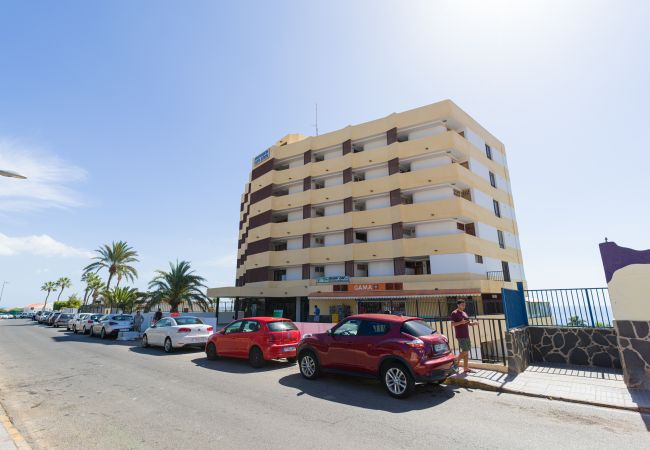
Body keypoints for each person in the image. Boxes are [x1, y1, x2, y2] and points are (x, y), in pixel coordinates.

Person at [450, 299, 478, 374]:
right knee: (465, 350)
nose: (463, 306)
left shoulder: (464, 313)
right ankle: (455, 363)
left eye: (464, 305)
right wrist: (460, 322)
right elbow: (452, 324)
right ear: (458, 305)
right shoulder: (454, 313)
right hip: (460, 335)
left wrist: (474, 323)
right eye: (462, 305)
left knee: (466, 352)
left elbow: (468, 323)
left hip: (466, 334)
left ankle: (466, 368)